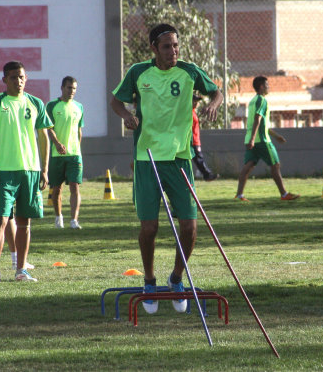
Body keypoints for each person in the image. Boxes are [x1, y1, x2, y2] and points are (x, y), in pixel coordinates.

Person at [111, 23, 223, 314]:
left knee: (189, 226)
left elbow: (216, 92)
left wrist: (213, 104)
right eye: (166, 46)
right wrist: (126, 115)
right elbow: (116, 101)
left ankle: (176, 278)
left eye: (175, 46)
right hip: (147, 158)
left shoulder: (189, 70)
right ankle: (149, 281)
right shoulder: (138, 72)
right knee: (150, 227)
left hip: (180, 158)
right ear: (153, 49)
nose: (173, 51)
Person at [0, 61, 52, 283]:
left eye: (21, 77)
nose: (18, 81)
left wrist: (44, 170)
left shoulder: (36, 103)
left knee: (24, 223)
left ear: (26, 78)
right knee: (0, 221)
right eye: (13, 78)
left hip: (30, 171)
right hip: (5, 172)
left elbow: (44, 138)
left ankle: (21, 270)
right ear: (5, 80)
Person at [235, 76, 300, 202]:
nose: (268, 87)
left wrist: (275, 136)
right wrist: (254, 139)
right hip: (262, 141)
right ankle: (284, 194)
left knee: (248, 166)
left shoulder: (253, 100)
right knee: (275, 165)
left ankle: (239, 195)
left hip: (251, 139)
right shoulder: (262, 101)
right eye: (267, 85)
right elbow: (258, 120)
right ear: (261, 86)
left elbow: (262, 123)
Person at [46, 76, 84, 229]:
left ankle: (74, 220)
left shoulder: (79, 107)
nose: (72, 91)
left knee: (75, 186)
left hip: (74, 155)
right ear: (62, 88)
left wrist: (77, 148)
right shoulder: (52, 105)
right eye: (69, 88)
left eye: (74, 88)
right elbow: (49, 129)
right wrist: (57, 144)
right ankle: (58, 217)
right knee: (57, 189)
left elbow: (79, 130)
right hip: (57, 155)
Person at [191, 94, 218, 181]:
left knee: (198, 159)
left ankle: (207, 174)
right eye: (194, 101)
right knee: (199, 159)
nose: (196, 103)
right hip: (193, 140)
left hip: (196, 139)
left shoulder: (193, 111)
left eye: (197, 101)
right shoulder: (189, 113)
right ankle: (207, 175)